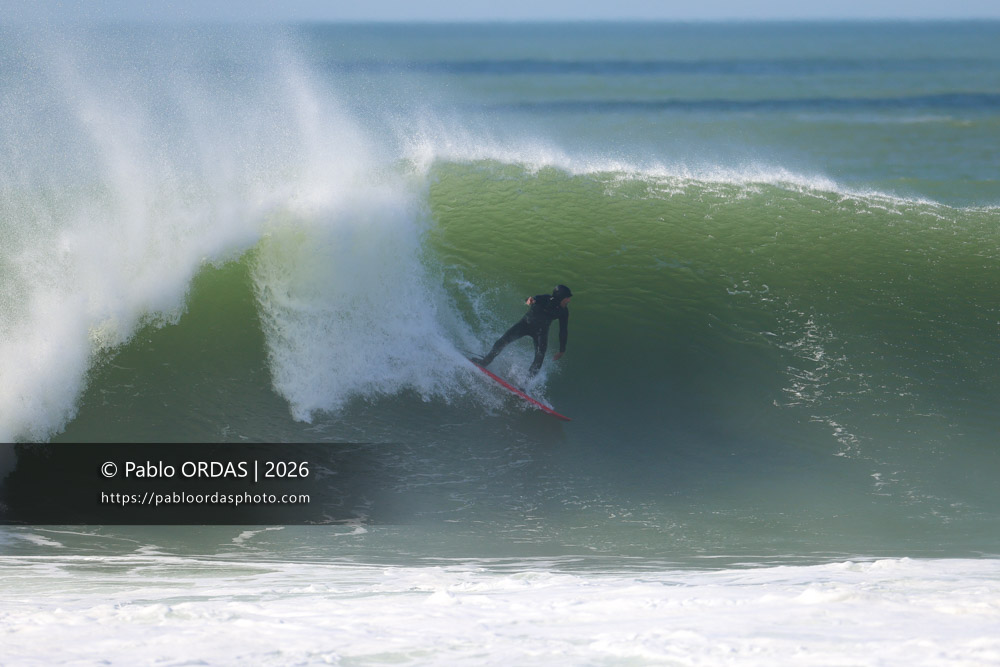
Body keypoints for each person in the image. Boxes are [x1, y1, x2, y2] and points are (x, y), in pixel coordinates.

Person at [473, 284, 572, 377]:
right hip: (525, 325)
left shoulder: (563, 311)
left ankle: (525, 385)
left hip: (541, 333)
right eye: (567, 298)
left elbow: (563, 330)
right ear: (560, 297)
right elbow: (534, 299)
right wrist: (530, 300)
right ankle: (485, 362)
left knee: (539, 357)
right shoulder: (546, 299)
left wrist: (562, 350)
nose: (569, 300)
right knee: (502, 341)